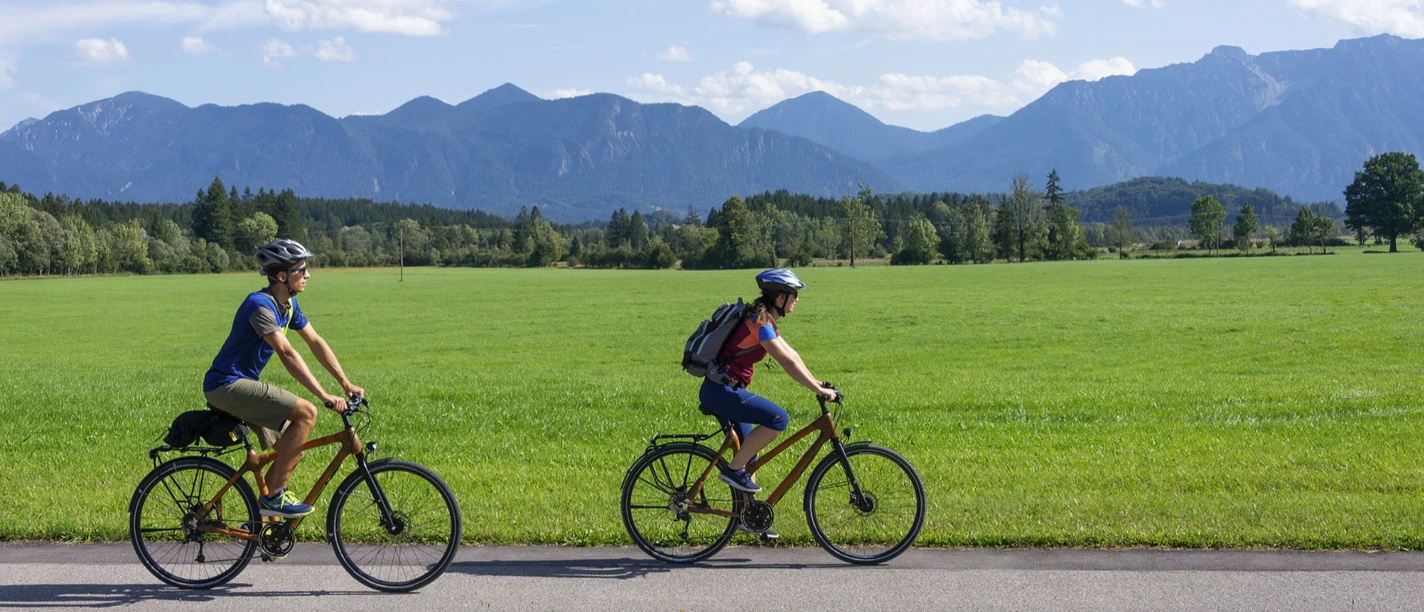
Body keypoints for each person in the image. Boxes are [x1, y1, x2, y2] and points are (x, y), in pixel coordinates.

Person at [202, 239, 363, 518]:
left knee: (292, 448)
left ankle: (261, 526)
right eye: (301, 270)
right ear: (281, 276)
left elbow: (315, 342)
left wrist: (345, 383)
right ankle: (275, 496)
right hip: (226, 384)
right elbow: (287, 354)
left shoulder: (288, 306)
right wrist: (323, 396)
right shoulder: (259, 305)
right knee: (307, 413)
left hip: (240, 384)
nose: (308, 275)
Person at [699, 268, 836, 536]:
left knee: (749, 453)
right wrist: (816, 389)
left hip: (725, 390)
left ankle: (749, 518)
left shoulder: (765, 321)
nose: (797, 299)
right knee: (778, 418)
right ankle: (732, 471)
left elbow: (793, 356)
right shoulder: (759, 323)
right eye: (794, 294)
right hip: (721, 391)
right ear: (780, 297)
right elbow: (785, 362)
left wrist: (818, 384)